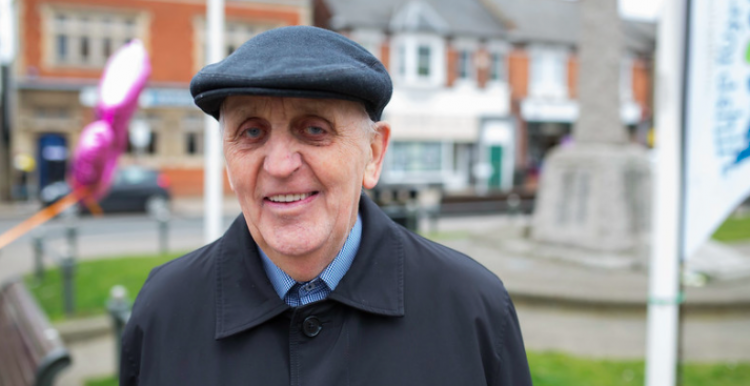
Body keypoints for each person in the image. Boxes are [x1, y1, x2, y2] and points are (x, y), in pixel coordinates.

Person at [120, 25, 532, 386]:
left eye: (314, 129)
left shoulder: (473, 309)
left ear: (373, 153)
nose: (280, 165)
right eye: (252, 132)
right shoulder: (164, 312)